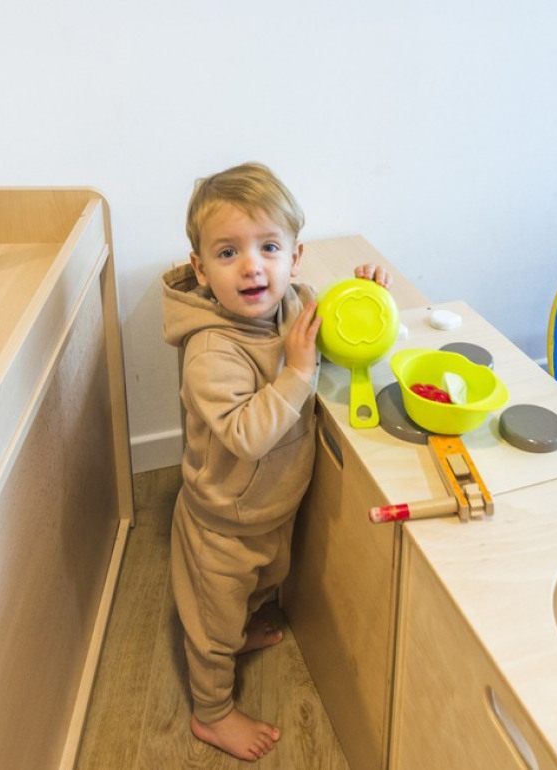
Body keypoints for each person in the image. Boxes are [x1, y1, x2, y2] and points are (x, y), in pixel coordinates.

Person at [161, 162, 389, 761]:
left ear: (296, 256)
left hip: (271, 503)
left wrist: (368, 302)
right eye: (228, 252)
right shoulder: (212, 351)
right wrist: (295, 372)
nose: (252, 266)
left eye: (268, 247)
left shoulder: (294, 305)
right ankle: (212, 713)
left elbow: (336, 351)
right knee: (212, 623)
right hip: (222, 522)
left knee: (266, 580)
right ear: (201, 269)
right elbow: (246, 435)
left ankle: (242, 631)